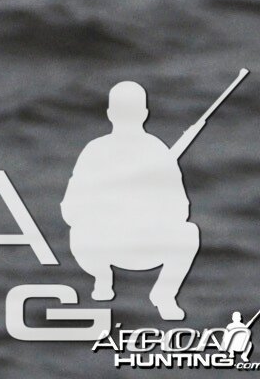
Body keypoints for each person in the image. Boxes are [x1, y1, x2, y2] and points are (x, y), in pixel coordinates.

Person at [63, 78, 207, 320]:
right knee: (80, 231)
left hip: (142, 245)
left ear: (110, 113)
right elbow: (71, 211)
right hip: (104, 245)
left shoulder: (156, 152)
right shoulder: (96, 152)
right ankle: (102, 277)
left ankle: (164, 294)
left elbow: (180, 210)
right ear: (144, 113)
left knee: (189, 232)